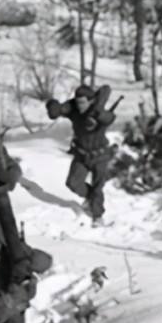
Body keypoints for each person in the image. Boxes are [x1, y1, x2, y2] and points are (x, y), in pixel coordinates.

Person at [45, 83, 116, 223]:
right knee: (73, 183)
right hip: (81, 154)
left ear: (91, 101)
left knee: (97, 187)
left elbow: (109, 118)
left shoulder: (99, 111)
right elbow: (58, 110)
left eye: (82, 102)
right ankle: (91, 199)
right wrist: (52, 105)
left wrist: (98, 114)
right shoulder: (74, 111)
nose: (79, 105)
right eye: (77, 102)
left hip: (100, 156)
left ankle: (97, 216)